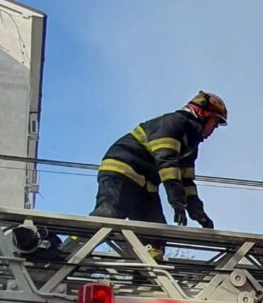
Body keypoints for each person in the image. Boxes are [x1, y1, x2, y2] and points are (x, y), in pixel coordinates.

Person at [91, 91, 226, 245]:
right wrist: (176, 200)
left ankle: (145, 267)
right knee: (109, 216)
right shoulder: (173, 124)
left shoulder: (190, 145)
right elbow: (166, 161)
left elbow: (186, 181)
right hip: (121, 171)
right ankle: (72, 246)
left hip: (146, 185)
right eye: (214, 123)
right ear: (202, 114)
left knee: (155, 236)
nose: (213, 130)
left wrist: (198, 212)